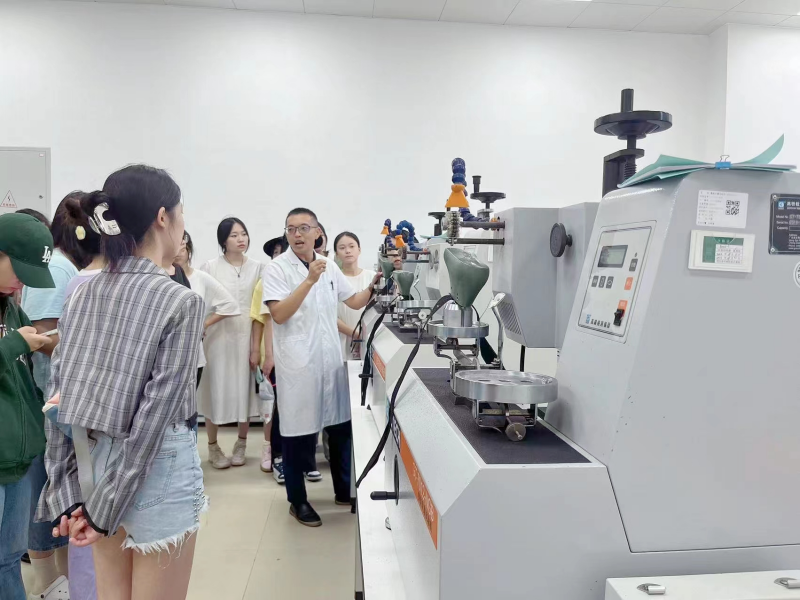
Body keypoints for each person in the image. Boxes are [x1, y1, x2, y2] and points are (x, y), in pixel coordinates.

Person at [36, 165, 205, 600]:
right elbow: (152, 422)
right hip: (157, 467)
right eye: (181, 214)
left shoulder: (82, 291)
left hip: (96, 465)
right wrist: (104, 509)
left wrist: (72, 497)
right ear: (163, 217)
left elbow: (59, 400)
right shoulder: (180, 301)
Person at [263, 208, 378, 527]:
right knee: (297, 436)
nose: (297, 234)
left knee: (339, 429)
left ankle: (344, 491)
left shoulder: (329, 266)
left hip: (329, 362)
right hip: (298, 365)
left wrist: (374, 286)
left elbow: (354, 301)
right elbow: (279, 314)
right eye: (291, 229)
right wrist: (309, 280)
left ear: (317, 233)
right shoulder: (276, 269)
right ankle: (297, 501)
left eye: (304, 228)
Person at [22, 193, 90, 599]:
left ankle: (63, 585)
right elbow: (42, 339)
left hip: (56, 405)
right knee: (43, 504)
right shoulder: (58, 268)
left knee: (59, 504)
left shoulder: (64, 268)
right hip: (49, 406)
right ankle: (49, 587)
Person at [0, 213, 55, 600]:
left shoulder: (11, 308)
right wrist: (18, 343)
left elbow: (20, 378)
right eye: (19, 271)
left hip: (18, 459)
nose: (22, 284)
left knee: (9, 559)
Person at [198, 218, 263, 469]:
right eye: (234, 235)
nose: (241, 239)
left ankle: (241, 443)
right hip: (218, 337)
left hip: (246, 335)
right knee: (214, 389)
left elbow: (259, 310)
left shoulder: (258, 268)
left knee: (243, 390)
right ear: (223, 240)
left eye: (243, 234)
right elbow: (204, 304)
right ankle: (213, 446)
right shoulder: (209, 267)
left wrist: (256, 347)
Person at [174, 231, 240, 387]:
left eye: (182, 248)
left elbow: (230, 305)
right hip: (167, 355)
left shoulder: (200, 278)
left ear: (189, 250)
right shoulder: (162, 277)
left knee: (190, 399)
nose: (178, 253)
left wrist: (204, 324)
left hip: (194, 355)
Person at [335, 232, 376, 361]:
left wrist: (364, 336)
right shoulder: (334, 279)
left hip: (369, 339)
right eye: (342, 248)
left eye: (351, 246)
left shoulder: (372, 277)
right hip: (341, 341)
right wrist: (356, 335)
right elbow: (330, 316)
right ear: (336, 254)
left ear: (359, 250)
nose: (347, 251)